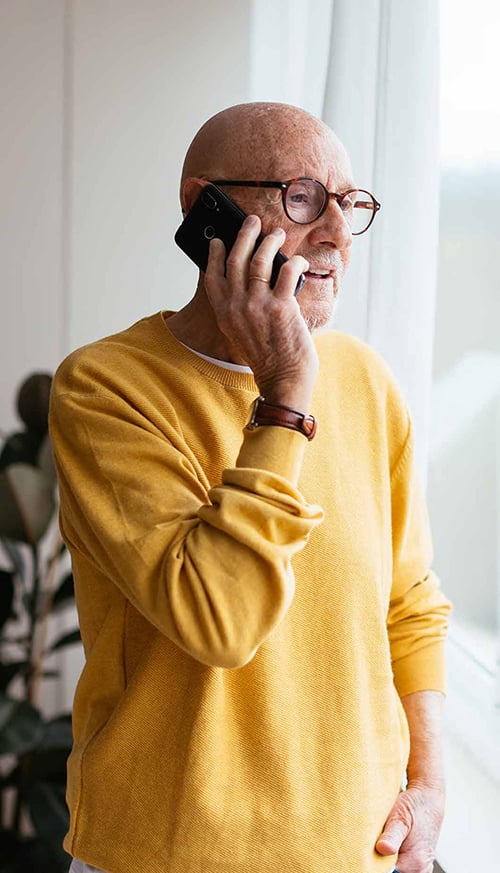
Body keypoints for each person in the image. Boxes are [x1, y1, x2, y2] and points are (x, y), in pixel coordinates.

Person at [49, 102, 452, 873]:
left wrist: (429, 787)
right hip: (166, 853)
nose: (336, 231)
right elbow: (220, 620)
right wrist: (287, 393)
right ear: (206, 208)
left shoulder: (367, 382)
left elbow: (410, 605)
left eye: (351, 202)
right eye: (303, 196)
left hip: (361, 851)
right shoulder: (104, 388)